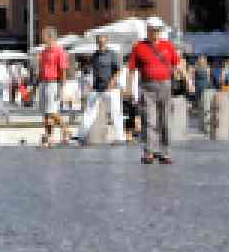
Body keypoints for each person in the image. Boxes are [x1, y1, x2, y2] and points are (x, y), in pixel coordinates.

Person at [126, 18, 189, 164]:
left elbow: (177, 64)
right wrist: (129, 88)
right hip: (147, 87)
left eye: (158, 30)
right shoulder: (139, 47)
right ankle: (149, 152)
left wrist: (188, 80)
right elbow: (131, 70)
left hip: (165, 86)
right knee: (149, 119)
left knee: (165, 120)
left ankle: (164, 152)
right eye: (154, 30)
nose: (156, 32)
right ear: (147, 30)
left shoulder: (168, 45)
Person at [77, 32, 123, 145]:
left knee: (115, 113)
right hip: (97, 89)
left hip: (110, 89)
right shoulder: (94, 55)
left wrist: (112, 82)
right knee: (89, 112)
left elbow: (118, 70)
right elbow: (89, 71)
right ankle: (81, 135)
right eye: (99, 41)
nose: (100, 43)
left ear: (106, 41)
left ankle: (120, 137)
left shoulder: (112, 54)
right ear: (97, 42)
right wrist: (89, 84)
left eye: (102, 41)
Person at [35, 26, 70, 146]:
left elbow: (63, 70)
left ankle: (66, 129)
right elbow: (41, 70)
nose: (42, 37)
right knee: (45, 112)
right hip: (43, 83)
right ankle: (49, 136)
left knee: (52, 111)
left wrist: (61, 87)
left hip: (53, 83)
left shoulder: (59, 51)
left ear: (50, 36)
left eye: (43, 35)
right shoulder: (44, 51)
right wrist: (36, 85)